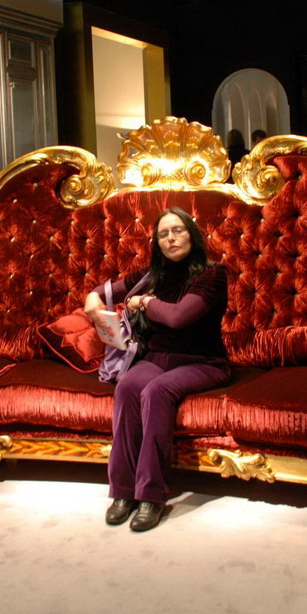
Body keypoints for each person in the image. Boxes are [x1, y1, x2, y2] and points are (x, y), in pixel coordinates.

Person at [83, 208, 229, 532]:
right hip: (157, 357)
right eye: (163, 234)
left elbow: (177, 317)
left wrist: (144, 303)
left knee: (157, 391)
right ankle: (122, 491)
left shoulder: (213, 274)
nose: (171, 238)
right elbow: (107, 291)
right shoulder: (152, 275)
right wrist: (93, 299)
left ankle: (151, 495)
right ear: (157, 243)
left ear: (192, 235)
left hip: (202, 361)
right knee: (127, 387)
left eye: (178, 230)